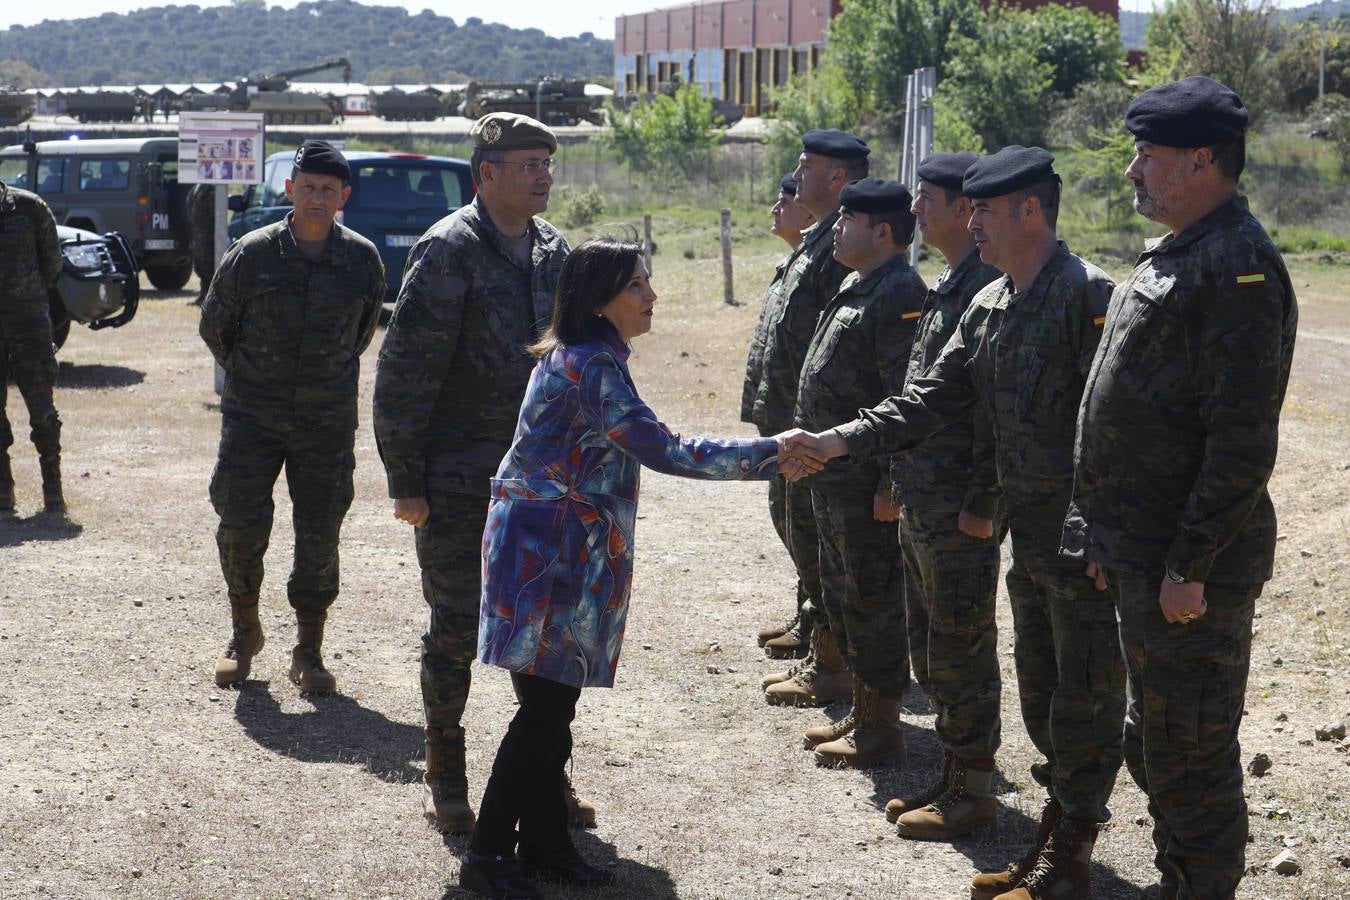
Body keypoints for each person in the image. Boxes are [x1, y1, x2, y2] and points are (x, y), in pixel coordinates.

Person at [784, 147, 1124, 900]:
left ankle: (1066, 854)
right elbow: (931, 397)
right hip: (1029, 537)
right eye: (967, 208)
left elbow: (1116, 428)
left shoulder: (1088, 296)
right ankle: (1050, 839)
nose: (971, 223)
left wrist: (1102, 525)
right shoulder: (990, 301)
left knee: (1086, 692)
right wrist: (842, 439)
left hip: (1077, 539)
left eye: (984, 211)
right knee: (1042, 692)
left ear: (1028, 212)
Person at [459, 236, 809, 900]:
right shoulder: (591, 365)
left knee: (549, 706)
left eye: (648, 283)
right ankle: (487, 854)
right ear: (600, 300)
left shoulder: (588, 357)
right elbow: (663, 448)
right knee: (544, 711)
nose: (651, 297)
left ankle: (544, 842)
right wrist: (771, 452)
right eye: (637, 287)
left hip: (550, 546)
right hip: (550, 553)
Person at [1062, 77, 1298, 900]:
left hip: (1192, 568)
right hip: (1144, 552)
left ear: (1202, 160)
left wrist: (1189, 562)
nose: (1132, 169)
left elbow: (1241, 441)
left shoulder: (1237, 267)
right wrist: (1102, 533)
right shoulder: (1180, 251)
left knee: (1190, 752)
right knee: (1157, 741)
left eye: (1147, 154)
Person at [372, 113, 593, 836]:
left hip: (544, 480)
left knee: (548, 634)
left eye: (548, 164)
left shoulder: (555, 251)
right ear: (487, 173)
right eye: (528, 164)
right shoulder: (448, 250)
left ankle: (544, 781)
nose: (543, 176)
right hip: (461, 477)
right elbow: (404, 373)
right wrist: (406, 479)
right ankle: (446, 773)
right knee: (457, 628)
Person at [200, 140, 385, 694]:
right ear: (290, 189)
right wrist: (256, 379)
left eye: (328, 190)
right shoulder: (252, 254)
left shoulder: (361, 260)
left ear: (343, 196)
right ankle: (244, 632)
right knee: (238, 522)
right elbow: (215, 327)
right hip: (252, 417)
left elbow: (359, 336)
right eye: (308, 187)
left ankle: (309, 649)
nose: (316, 197)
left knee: (320, 534)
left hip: (325, 423)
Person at [786, 177, 926, 766]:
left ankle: (881, 726)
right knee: (846, 594)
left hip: (865, 481)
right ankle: (864, 711)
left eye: (849, 221)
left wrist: (892, 484)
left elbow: (903, 396)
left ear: (883, 232)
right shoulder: (856, 283)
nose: (836, 228)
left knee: (873, 599)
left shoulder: (899, 291)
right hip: (833, 477)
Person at [886, 152, 1006, 839]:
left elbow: (993, 409)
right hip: (925, 493)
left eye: (926, 199)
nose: (915, 213)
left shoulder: (986, 284)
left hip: (958, 500)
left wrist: (983, 501)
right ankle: (957, 774)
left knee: (961, 644)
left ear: (965, 209)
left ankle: (975, 790)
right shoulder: (954, 280)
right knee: (934, 642)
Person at [755, 129, 869, 703]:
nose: (795, 176)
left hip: (818, 430)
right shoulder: (818, 238)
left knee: (821, 543)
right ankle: (818, 634)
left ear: (838, 178)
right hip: (791, 421)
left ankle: (832, 659)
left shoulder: (837, 247)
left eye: (806, 166)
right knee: (803, 534)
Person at [743, 173, 817, 658]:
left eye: (786, 199)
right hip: (781, 421)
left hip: (803, 426)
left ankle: (817, 628)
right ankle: (807, 614)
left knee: (806, 525)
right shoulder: (794, 263)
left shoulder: (819, 266)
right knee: (790, 521)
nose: (776, 205)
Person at [0, 178, 65, 516]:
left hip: (29, 325)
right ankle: (3, 488)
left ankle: (52, 487)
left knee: (42, 408)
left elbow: (53, 262)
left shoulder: (29, 207)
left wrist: (28, 296)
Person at [188, 181, 216, 306]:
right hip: (198, 232)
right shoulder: (197, 186)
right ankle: (203, 294)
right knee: (199, 265)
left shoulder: (211, 187)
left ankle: (211, 297)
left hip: (208, 233)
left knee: (208, 265)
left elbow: (215, 211)